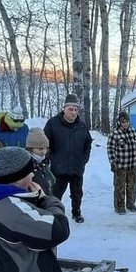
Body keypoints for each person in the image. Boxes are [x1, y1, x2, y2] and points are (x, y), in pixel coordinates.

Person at [43, 94, 92, 223]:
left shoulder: (82, 125)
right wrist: (50, 157)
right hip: (59, 168)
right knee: (56, 194)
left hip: (77, 167)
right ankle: (55, 213)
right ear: (64, 109)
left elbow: (88, 143)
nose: (74, 112)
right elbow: (44, 143)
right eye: (70, 109)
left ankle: (76, 213)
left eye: (76, 109)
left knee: (77, 194)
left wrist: (84, 159)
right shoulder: (52, 124)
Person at [107, 111, 136, 214]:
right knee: (120, 187)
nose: (125, 123)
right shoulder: (115, 133)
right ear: (119, 122)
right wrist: (113, 162)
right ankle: (119, 206)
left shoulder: (133, 131)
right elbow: (110, 149)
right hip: (120, 165)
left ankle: (130, 204)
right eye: (123, 122)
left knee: (132, 185)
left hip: (133, 165)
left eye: (126, 121)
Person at [25, 128, 55, 195]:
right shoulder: (27, 165)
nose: (43, 152)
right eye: (40, 149)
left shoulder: (45, 162)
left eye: (46, 148)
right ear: (31, 149)